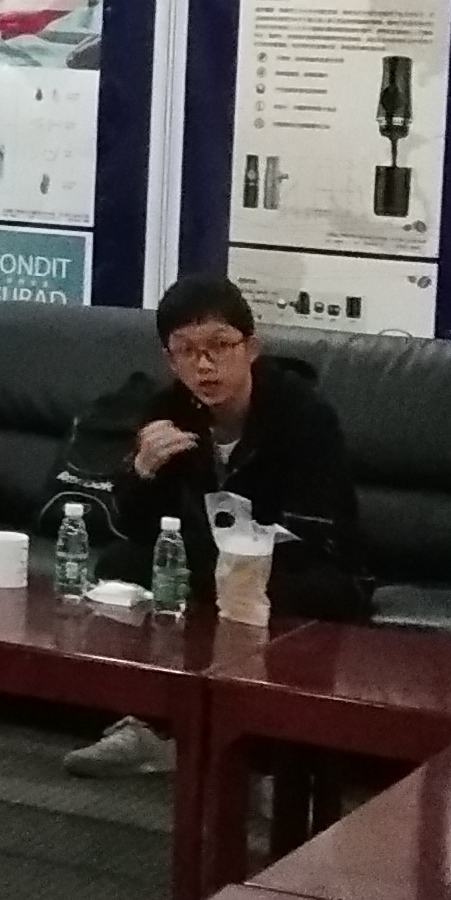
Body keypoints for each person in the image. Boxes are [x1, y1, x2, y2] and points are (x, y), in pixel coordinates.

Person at [58, 272, 360, 780]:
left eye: (220, 346)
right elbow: (137, 527)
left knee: (262, 590)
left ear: (250, 348)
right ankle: (150, 726)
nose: (204, 364)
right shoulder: (167, 410)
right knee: (124, 565)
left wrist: (226, 556)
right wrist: (142, 472)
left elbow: (316, 531)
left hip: (304, 569)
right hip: (209, 561)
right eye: (187, 351)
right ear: (169, 359)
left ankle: (265, 755)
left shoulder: (302, 413)